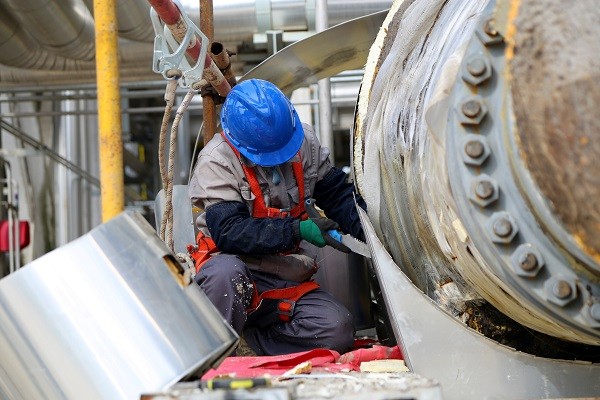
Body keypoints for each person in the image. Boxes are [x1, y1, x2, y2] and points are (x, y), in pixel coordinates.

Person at [188, 78, 367, 356]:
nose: (278, 159)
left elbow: (337, 195)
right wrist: (298, 230)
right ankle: (218, 358)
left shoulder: (304, 142)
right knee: (226, 275)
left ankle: (250, 344)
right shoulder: (216, 160)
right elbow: (229, 232)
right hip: (234, 268)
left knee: (337, 330)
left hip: (284, 271)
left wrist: (370, 230)